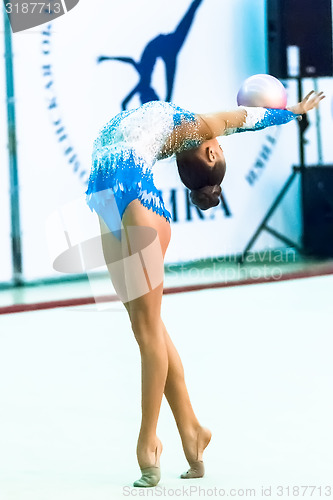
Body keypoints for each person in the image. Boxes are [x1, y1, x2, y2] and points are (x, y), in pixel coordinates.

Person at [85, 91, 324, 488]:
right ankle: (193, 432)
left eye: (218, 144)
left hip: (136, 201)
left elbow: (242, 118)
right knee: (148, 328)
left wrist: (290, 113)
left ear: (210, 153)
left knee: (147, 333)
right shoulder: (184, 131)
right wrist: (290, 111)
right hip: (104, 196)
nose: (218, 138)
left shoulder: (194, 128)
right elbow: (242, 117)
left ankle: (148, 442)